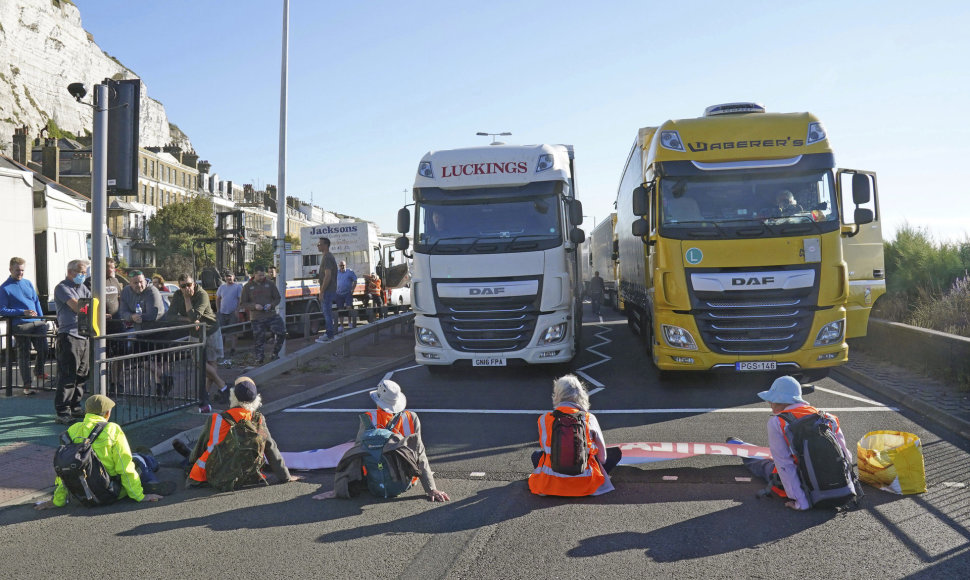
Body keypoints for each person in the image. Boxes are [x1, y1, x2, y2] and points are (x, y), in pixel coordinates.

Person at [727, 375, 855, 511]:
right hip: (839, 487)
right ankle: (738, 444)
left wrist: (801, 502)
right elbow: (845, 455)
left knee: (762, 464)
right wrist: (849, 487)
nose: (770, 404)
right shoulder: (828, 417)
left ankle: (738, 446)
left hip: (803, 485)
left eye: (771, 400)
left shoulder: (777, 422)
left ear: (780, 400)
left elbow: (785, 464)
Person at [313, 379, 449, 502]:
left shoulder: (368, 419)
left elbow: (358, 453)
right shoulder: (411, 418)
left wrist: (341, 487)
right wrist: (431, 488)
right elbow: (420, 454)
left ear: (377, 400)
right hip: (407, 480)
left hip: (374, 480)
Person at [34, 394, 174, 509]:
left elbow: (65, 469)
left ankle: (149, 464)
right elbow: (124, 467)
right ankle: (151, 473)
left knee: (138, 458)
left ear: (87, 412)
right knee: (138, 460)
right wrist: (139, 496)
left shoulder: (73, 430)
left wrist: (57, 500)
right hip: (111, 492)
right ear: (107, 413)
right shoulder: (112, 429)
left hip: (83, 494)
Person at [180, 376, 298, 487]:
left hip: (213, 474)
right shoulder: (258, 420)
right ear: (256, 399)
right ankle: (185, 456)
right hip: (247, 476)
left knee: (192, 459)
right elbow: (270, 448)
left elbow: (201, 446)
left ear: (233, 396)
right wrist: (285, 477)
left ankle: (186, 458)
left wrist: (191, 463)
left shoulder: (216, 419)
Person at [528, 374, 621, 497]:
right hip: (586, 483)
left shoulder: (544, 419)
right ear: (581, 394)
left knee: (536, 455)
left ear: (557, 394)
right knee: (616, 453)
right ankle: (586, 481)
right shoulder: (588, 418)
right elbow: (603, 458)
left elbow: (547, 450)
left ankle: (551, 481)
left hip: (551, 484)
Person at [162, 273, 225, 413]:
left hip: (210, 330)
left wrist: (187, 300)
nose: (186, 289)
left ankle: (205, 396)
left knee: (211, 362)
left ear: (194, 284)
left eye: (189, 285)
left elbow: (195, 315)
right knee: (199, 362)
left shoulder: (201, 294)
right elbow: (170, 316)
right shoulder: (178, 295)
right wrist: (188, 320)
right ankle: (223, 386)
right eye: (183, 286)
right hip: (195, 332)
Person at [0, 257, 48, 396]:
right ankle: (27, 385)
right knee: (24, 355)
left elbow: (36, 301)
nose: (20, 273)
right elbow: (2, 310)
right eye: (17, 270)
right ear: (10, 270)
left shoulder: (28, 283)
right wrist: (22, 312)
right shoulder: (4, 288)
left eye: (22, 270)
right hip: (20, 325)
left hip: (37, 323)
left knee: (44, 349)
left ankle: (38, 372)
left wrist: (42, 318)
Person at [52, 259, 91, 424]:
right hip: (69, 336)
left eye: (84, 273)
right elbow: (77, 307)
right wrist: (92, 309)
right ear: (70, 272)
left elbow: (91, 305)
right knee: (68, 375)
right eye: (81, 272)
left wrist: (92, 309)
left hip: (84, 335)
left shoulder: (83, 288)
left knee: (81, 375)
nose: (83, 275)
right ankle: (62, 411)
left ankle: (75, 407)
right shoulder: (62, 287)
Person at [85, 257, 126, 395]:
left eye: (113, 267)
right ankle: (99, 384)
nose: (112, 269)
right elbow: (86, 303)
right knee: (102, 355)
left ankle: (115, 382)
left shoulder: (114, 280)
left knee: (119, 355)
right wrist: (100, 314)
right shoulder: (91, 281)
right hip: (101, 326)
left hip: (117, 324)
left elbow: (119, 299)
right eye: (109, 267)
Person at [240, 264, 286, 364]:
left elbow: (277, 298)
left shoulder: (270, 284)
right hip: (256, 317)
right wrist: (254, 306)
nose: (262, 277)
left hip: (271, 315)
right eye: (260, 275)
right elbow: (243, 303)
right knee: (259, 339)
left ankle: (274, 353)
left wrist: (271, 305)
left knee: (282, 332)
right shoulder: (248, 287)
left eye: (263, 275)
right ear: (254, 275)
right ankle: (259, 359)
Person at [215, 268, 243, 359]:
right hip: (222, 313)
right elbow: (218, 299)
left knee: (233, 332)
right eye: (227, 277)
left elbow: (240, 299)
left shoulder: (238, 287)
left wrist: (237, 310)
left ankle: (233, 349)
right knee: (221, 332)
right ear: (225, 278)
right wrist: (218, 310)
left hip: (232, 313)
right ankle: (221, 351)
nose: (228, 278)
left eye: (230, 276)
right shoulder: (221, 287)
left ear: (233, 277)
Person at [315, 237, 338, 342]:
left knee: (327, 312)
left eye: (319, 244)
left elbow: (327, 276)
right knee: (327, 312)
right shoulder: (327, 257)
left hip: (328, 290)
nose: (318, 246)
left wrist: (322, 291)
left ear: (325, 245)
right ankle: (329, 333)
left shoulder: (327, 257)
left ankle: (329, 334)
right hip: (329, 289)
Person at [334, 260, 357, 331]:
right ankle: (341, 325)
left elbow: (355, 280)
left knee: (349, 308)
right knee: (340, 310)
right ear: (339, 266)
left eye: (343, 265)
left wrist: (353, 289)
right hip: (339, 293)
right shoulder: (336, 273)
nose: (342, 267)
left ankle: (349, 323)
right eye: (341, 265)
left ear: (345, 265)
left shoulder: (350, 272)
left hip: (347, 293)